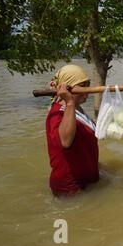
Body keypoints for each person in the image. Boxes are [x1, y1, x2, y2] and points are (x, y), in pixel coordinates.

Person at [46, 64, 99, 197]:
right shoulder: (58, 113)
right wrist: (69, 101)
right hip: (70, 188)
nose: (87, 90)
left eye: (88, 85)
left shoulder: (77, 108)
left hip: (86, 181)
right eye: (82, 85)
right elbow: (65, 141)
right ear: (67, 88)